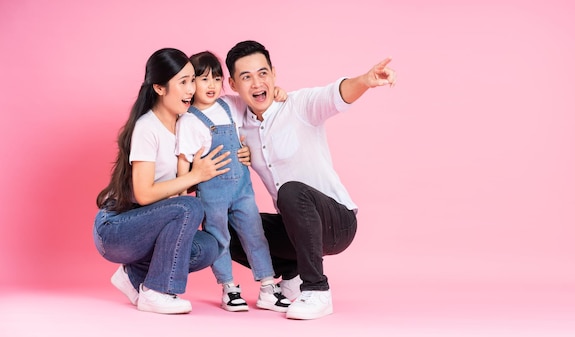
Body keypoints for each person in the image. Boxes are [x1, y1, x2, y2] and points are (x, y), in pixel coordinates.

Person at [225, 40, 397, 320]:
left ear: (274, 74)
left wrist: (365, 81)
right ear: (233, 84)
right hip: (294, 230)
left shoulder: (299, 105)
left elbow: (333, 95)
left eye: (263, 73)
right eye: (246, 77)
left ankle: (317, 290)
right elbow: (203, 102)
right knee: (227, 226)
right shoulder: (237, 116)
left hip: (337, 222)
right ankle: (291, 276)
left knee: (290, 192)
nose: (257, 83)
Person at [93, 48, 248, 314]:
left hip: (149, 224)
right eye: (183, 82)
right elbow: (143, 194)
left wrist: (239, 155)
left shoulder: (187, 124)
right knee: (191, 208)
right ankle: (157, 290)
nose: (191, 90)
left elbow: (179, 186)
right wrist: (194, 176)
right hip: (117, 228)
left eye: (193, 80)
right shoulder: (147, 128)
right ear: (160, 88)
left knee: (208, 247)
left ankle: (133, 276)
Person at [175, 51, 290, 313]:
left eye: (217, 78)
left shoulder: (230, 104)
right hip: (211, 193)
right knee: (219, 239)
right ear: (191, 84)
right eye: (204, 80)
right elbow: (184, 161)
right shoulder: (190, 121)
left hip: (242, 190)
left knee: (255, 234)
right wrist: (181, 194)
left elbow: (259, 99)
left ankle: (268, 287)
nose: (212, 85)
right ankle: (228, 287)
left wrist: (278, 92)